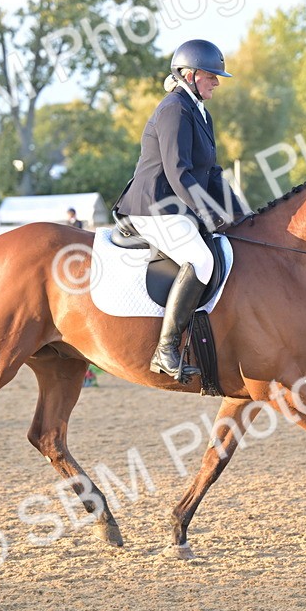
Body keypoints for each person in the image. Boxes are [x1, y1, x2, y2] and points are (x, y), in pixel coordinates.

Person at [114, 39, 244, 383]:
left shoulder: (200, 112)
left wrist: (242, 215)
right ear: (189, 74)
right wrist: (208, 214)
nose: (217, 81)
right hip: (153, 206)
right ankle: (166, 349)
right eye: (211, 75)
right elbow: (178, 171)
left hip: (174, 208)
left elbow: (212, 174)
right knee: (202, 259)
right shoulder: (175, 108)